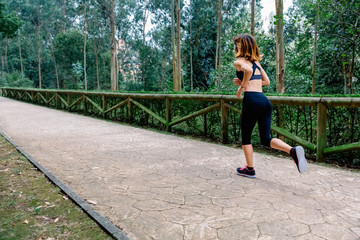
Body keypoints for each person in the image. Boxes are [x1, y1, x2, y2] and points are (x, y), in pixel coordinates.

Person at [232, 33, 307, 178]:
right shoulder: (256, 63)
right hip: (264, 101)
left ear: (241, 47)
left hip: (251, 100)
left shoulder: (239, 62)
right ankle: (292, 150)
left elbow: (247, 71)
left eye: (237, 44)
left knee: (246, 138)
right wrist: (243, 83)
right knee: (266, 138)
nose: (236, 47)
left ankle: (250, 169)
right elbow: (267, 82)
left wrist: (242, 87)